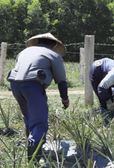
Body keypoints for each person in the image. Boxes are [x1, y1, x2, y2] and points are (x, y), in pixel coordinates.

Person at [7, 32, 69, 163]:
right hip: (33, 86)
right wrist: (64, 99)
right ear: (53, 45)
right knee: (40, 123)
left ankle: (30, 149)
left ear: (38, 42)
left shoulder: (24, 52)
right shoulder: (53, 55)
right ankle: (33, 162)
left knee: (29, 117)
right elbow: (61, 80)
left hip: (15, 85)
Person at [89, 58, 114, 125]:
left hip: (112, 78)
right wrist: (109, 102)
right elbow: (101, 88)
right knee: (104, 102)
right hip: (98, 72)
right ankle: (108, 126)